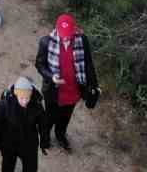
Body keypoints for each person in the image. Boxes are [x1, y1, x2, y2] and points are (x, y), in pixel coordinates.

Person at [35, 13, 100, 151]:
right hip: (54, 91)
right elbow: (39, 65)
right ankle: (45, 138)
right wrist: (51, 77)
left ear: (74, 30)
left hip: (73, 89)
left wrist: (94, 85)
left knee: (65, 116)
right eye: (63, 34)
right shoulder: (46, 42)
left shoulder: (82, 40)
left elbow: (88, 64)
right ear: (56, 29)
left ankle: (60, 135)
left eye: (69, 34)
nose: (66, 38)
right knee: (50, 117)